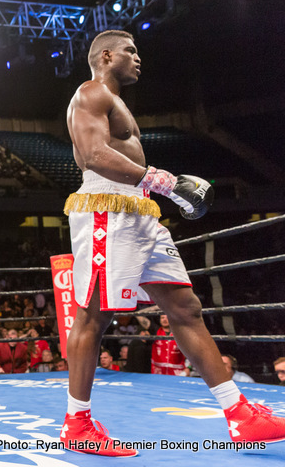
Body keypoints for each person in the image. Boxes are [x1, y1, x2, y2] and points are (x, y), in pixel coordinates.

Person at [60, 29, 285, 456]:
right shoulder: (90, 93)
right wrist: (167, 182)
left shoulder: (118, 101)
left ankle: (239, 415)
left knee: (185, 307)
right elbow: (92, 155)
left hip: (140, 211)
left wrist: (160, 188)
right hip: (107, 209)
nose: (138, 57)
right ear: (106, 56)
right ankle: (78, 423)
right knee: (93, 314)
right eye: (131, 50)